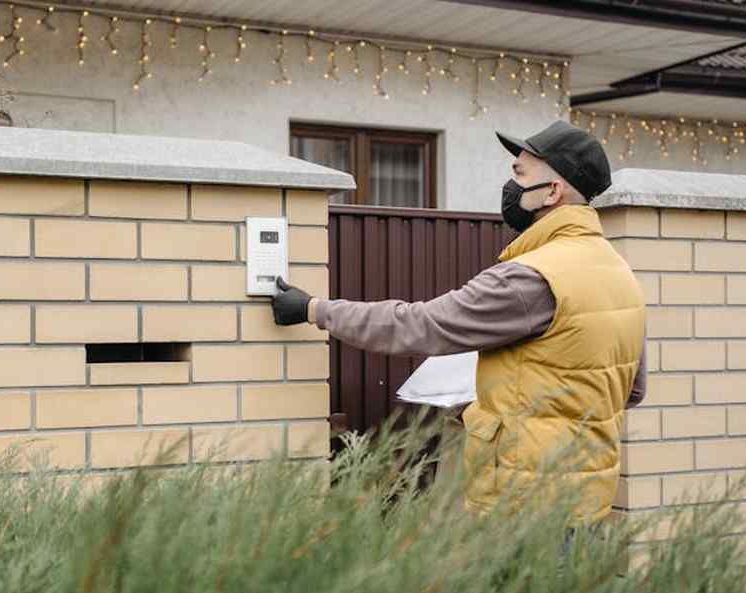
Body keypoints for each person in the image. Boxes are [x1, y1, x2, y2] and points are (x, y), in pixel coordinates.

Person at [271, 120, 647, 532]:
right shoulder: (619, 272)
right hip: (588, 497)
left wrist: (314, 309)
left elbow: (420, 325)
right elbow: (631, 388)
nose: (510, 186)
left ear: (553, 192)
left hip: (524, 504)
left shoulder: (529, 278)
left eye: (520, 175)